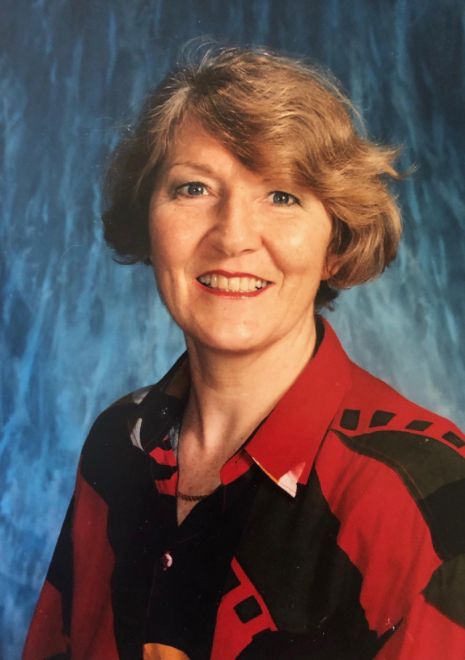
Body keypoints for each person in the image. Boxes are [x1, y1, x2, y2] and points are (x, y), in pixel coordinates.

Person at [24, 46, 465, 660]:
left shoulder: (422, 496)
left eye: (282, 195)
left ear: (336, 244)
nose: (232, 236)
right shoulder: (118, 444)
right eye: (194, 188)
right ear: (147, 221)